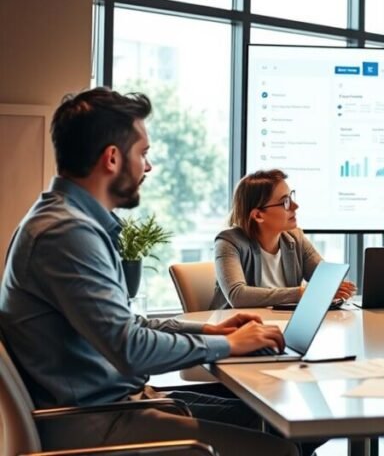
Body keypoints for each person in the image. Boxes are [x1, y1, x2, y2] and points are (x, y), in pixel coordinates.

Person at [0, 88, 297, 456]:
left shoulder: (68, 221)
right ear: (112, 158)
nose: (148, 167)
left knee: (270, 422)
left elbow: (126, 324)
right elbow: (130, 349)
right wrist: (229, 345)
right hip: (95, 420)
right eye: (143, 153)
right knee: (279, 450)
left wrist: (209, 329)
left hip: (114, 404)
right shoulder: (66, 233)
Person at [210, 169, 355, 309]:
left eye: (291, 197)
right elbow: (238, 296)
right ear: (258, 215)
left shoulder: (295, 238)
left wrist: (337, 287)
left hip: (282, 323)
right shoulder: (228, 242)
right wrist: (301, 293)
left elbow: (325, 281)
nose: (295, 206)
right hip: (235, 328)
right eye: (285, 202)